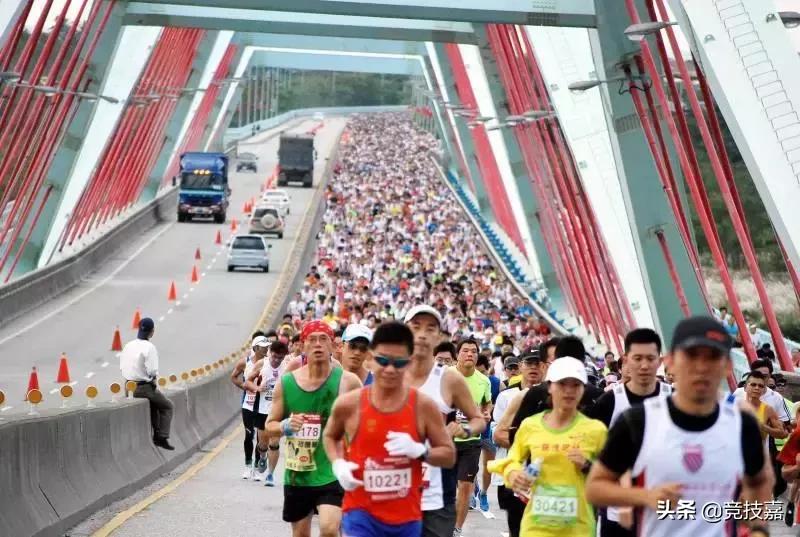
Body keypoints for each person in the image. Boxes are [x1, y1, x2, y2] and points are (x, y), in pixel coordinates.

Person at [585, 316, 774, 536]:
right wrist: (644, 496)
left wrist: (759, 529)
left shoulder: (741, 425)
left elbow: (759, 483)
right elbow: (595, 488)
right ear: (671, 362)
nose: (701, 367)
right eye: (691, 356)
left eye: (713, 357)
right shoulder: (638, 422)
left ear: (727, 366)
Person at [322, 321, 456, 537]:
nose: (390, 369)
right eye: (383, 361)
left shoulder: (423, 406)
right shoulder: (349, 404)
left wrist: (421, 451)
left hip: (406, 518)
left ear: (410, 362)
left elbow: (448, 456)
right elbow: (330, 436)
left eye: (399, 363)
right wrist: (338, 464)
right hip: (360, 512)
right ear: (370, 358)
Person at [262, 320, 362, 537]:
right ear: (302, 346)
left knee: (329, 529)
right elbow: (269, 425)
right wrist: (285, 426)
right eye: (312, 340)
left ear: (333, 345)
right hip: (299, 473)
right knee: (300, 534)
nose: (318, 344)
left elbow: (365, 421)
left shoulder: (349, 382)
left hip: (332, 469)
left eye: (323, 339)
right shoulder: (286, 383)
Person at [489, 357, 607, 537]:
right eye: (562, 384)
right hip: (536, 528)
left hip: (578, 529)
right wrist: (514, 475)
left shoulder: (595, 430)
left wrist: (587, 466)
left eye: (575, 385)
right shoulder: (530, 425)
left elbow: (612, 477)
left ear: (583, 389)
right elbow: (512, 459)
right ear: (550, 387)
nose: (568, 391)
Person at [402, 305, 485, 537]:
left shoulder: (448, 379)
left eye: (430, 328)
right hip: (395, 483)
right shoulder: (390, 374)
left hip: (438, 488)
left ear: (438, 337)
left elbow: (478, 420)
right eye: (416, 326)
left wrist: (463, 430)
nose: (422, 334)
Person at [584, 328, 671, 537]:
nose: (644, 365)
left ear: (660, 361)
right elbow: (588, 446)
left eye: (650, 358)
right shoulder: (609, 401)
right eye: (637, 358)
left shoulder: (675, 400)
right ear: (625, 360)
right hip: (618, 512)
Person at [492, 351, 542, 537]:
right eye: (529, 363)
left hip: (543, 476)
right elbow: (497, 434)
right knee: (517, 528)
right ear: (521, 366)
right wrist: (528, 448)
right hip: (512, 473)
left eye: (537, 363)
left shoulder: (552, 396)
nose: (533, 368)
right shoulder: (507, 396)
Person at [451, 338, 493, 534]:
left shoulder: (484, 381)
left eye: (474, 351)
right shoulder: (446, 375)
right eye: (465, 350)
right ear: (457, 355)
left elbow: (487, 403)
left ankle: (457, 529)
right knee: (445, 488)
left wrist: (486, 412)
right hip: (446, 440)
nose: (470, 354)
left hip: (471, 441)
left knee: (466, 486)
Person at [119, 317, 174, 450]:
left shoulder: (128, 345)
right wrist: (152, 378)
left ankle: (157, 434)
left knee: (154, 405)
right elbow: (152, 370)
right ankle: (162, 437)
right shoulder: (150, 347)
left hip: (128, 387)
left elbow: (122, 367)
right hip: (144, 388)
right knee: (167, 406)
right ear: (152, 331)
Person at [247, 340, 289, 486]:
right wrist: (258, 389)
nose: (277, 360)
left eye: (280, 358)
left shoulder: (288, 367)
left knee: (274, 443)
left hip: (279, 410)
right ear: (270, 353)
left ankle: (270, 474)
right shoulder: (262, 364)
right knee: (263, 443)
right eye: (275, 357)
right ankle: (262, 456)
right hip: (262, 409)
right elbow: (248, 381)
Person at [239, 336, 271, 481]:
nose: (266, 349)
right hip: (248, 404)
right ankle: (248, 465)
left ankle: (258, 467)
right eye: (263, 347)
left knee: (261, 437)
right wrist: (245, 387)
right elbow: (234, 377)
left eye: (267, 347)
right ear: (255, 348)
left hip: (261, 406)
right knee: (248, 435)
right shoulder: (245, 362)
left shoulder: (268, 363)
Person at [742, 370, 787, 450]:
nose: (757, 388)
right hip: (735, 454)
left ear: (763, 390)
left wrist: (764, 427)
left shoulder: (767, 409)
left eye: (761, 386)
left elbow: (783, 434)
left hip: (757, 455)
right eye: (753, 384)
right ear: (745, 387)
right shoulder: (735, 406)